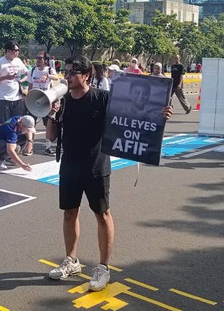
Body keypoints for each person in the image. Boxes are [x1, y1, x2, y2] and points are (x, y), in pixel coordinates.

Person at [45, 55, 172, 291]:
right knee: (69, 213)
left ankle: (103, 267)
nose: (68, 77)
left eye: (73, 72)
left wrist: (158, 114)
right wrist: (51, 113)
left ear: (86, 75)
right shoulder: (63, 101)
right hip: (69, 166)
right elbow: (51, 136)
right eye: (67, 72)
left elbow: (132, 116)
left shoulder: (102, 97)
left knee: (102, 215)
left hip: (96, 166)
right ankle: (71, 261)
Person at [0, 41, 29, 124]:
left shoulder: (18, 61)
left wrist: (21, 81)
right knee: (4, 124)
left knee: (17, 124)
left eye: (18, 50)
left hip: (17, 98)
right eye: (15, 50)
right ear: (8, 51)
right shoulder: (0, 62)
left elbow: (27, 73)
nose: (17, 52)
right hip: (3, 98)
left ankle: (15, 137)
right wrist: (5, 77)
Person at [29, 52, 59, 156]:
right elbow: (30, 84)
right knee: (31, 123)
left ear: (45, 60)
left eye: (40, 58)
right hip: (35, 100)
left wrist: (48, 75)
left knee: (48, 125)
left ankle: (48, 147)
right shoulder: (33, 70)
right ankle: (29, 146)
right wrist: (28, 98)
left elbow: (56, 78)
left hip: (47, 100)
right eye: (36, 58)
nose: (37, 60)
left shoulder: (49, 70)